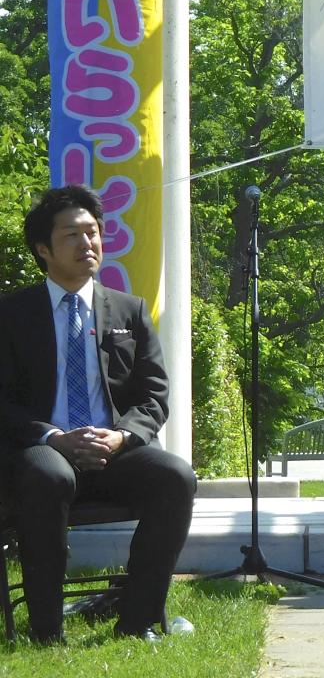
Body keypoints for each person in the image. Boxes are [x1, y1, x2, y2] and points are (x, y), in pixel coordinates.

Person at [0, 185, 197, 644]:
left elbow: (154, 396)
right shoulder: (10, 315)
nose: (87, 243)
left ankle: (137, 621)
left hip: (113, 450)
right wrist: (54, 437)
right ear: (43, 249)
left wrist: (123, 436)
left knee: (176, 477)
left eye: (93, 233)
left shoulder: (129, 310)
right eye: (72, 235)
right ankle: (47, 632)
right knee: (49, 476)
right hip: (40, 451)